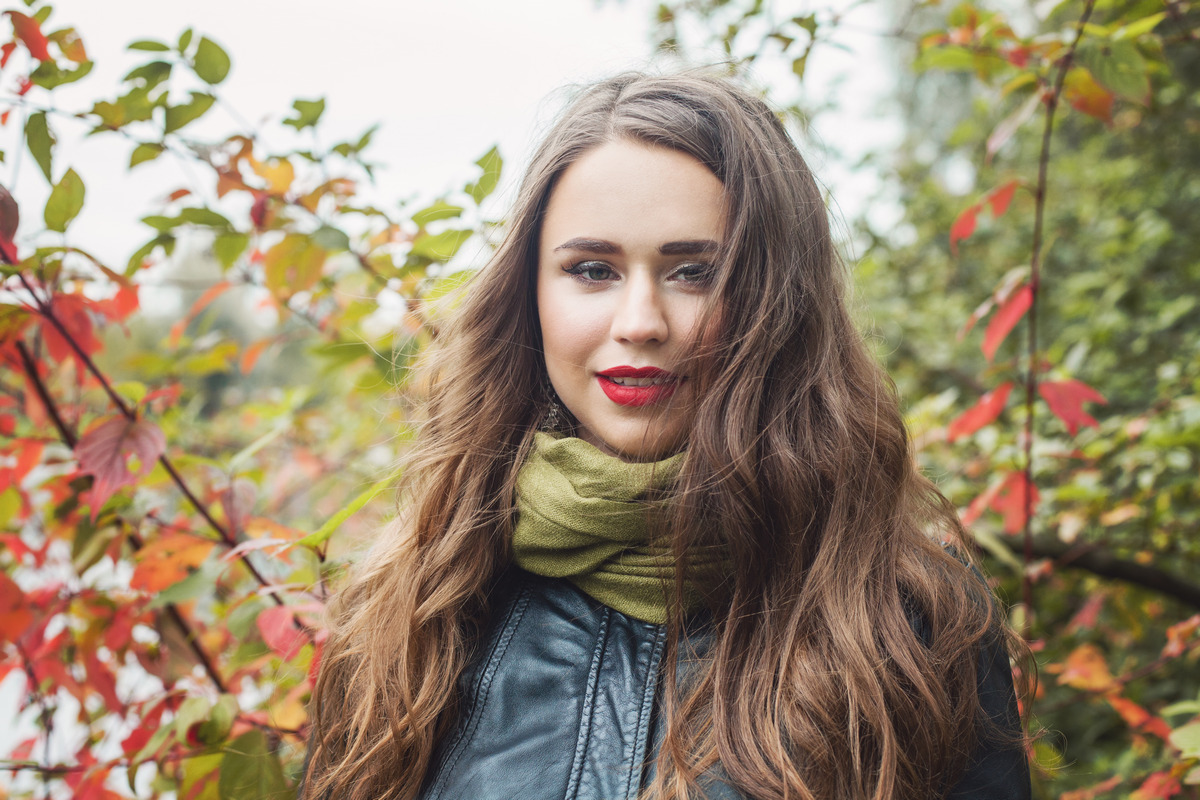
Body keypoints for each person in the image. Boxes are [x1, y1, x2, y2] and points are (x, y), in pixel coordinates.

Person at [301, 71, 1033, 800]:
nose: (641, 322)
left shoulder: (910, 620)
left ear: (778, 302)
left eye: (694, 273)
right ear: (530, 295)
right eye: (592, 270)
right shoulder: (414, 602)